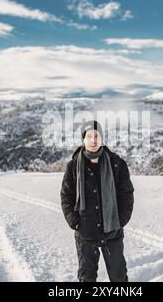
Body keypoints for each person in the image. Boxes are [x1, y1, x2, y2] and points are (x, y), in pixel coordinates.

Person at [60, 120, 135, 282]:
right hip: (85, 232)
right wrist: (75, 222)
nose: (93, 140)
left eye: (97, 136)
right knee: (86, 277)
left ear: (101, 138)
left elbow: (126, 194)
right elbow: (66, 196)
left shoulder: (116, 163)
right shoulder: (73, 167)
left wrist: (121, 219)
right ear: (83, 139)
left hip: (112, 231)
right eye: (89, 136)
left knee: (118, 277)